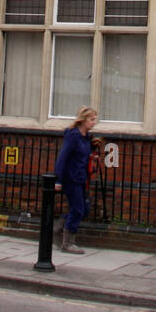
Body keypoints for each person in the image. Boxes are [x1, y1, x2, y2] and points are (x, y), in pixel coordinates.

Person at [53, 107, 98, 253]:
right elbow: (63, 157)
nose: (94, 123)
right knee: (78, 209)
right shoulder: (73, 136)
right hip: (71, 178)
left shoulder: (86, 138)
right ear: (83, 120)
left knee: (84, 210)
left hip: (81, 178)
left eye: (94, 120)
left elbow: (83, 155)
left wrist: (93, 153)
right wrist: (58, 180)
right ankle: (67, 243)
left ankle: (59, 226)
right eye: (92, 120)